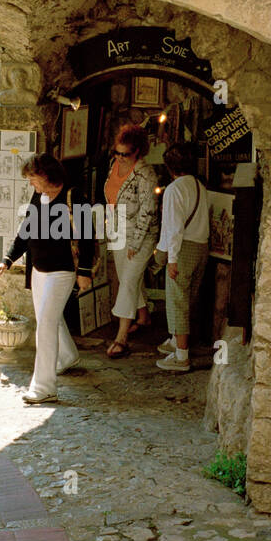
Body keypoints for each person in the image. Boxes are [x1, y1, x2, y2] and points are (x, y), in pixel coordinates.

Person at [0, 153, 94, 405]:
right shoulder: (39, 195)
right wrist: (7, 259)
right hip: (38, 270)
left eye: (32, 178)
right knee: (50, 317)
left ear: (48, 176)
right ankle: (68, 356)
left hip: (63, 270)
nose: (30, 184)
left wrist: (84, 272)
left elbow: (88, 236)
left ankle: (44, 387)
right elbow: (26, 229)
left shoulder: (74, 196)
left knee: (46, 324)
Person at [103, 123, 159, 359]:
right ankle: (143, 316)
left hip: (140, 234)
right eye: (116, 152)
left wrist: (136, 243)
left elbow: (149, 211)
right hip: (117, 230)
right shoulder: (113, 166)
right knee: (127, 276)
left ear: (137, 152)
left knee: (127, 282)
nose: (120, 158)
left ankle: (121, 337)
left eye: (125, 154)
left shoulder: (146, 174)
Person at [154, 142, 210, 373]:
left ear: (169, 167)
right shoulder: (199, 186)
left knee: (177, 301)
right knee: (190, 299)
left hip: (183, 248)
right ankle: (178, 342)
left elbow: (174, 228)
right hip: (201, 246)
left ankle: (182, 356)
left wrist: (172, 258)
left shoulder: (173, 190)